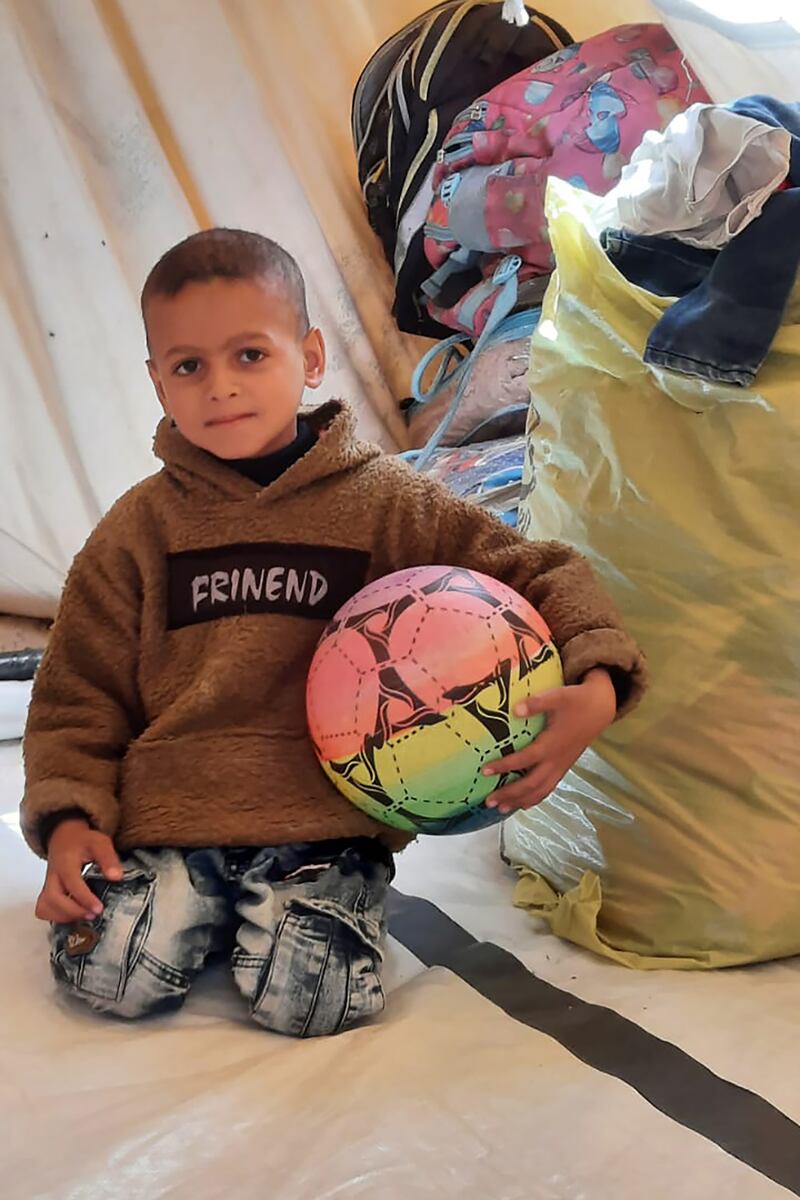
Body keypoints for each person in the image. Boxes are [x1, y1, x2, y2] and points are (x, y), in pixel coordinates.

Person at [20, 229, 646, 1036]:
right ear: (158, 384)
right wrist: (68, 818)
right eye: (188, 367)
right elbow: (76, 694)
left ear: (310, 357)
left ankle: (323, 888)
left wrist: (597, 682)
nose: (220, 387)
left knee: (313, 1001)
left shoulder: (387, 502)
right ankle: (201, 901)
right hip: (169, 820)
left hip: (324, 824)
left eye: (250, 354)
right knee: (109, 974)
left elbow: (537, 567)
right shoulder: (136, 530)